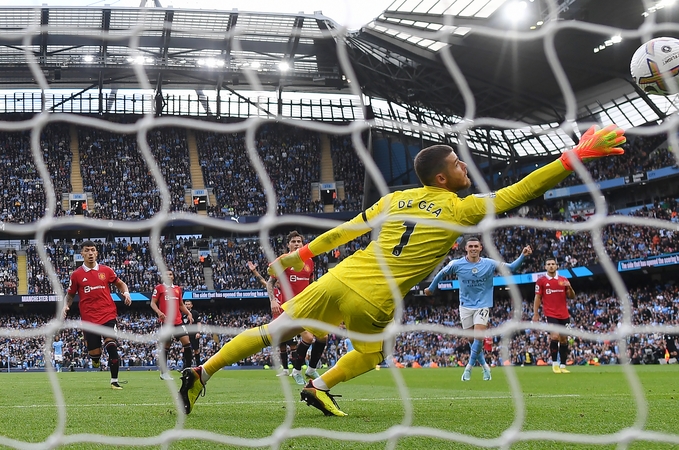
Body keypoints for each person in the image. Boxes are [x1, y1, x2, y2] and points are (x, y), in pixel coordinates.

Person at [180, 124, 626, 416]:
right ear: (441, 179)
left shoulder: (394, 200)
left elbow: (346, 231)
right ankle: (318, 386)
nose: (464, 166)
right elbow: (521, 190)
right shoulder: (461, 208)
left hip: (339, 275)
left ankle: (202, 373)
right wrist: (572, 158)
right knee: (371, 354)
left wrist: (301, 255)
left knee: (271, 332)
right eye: (457, 163)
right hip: (375, 296)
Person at [424, 237, 531, 382]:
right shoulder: (456, 264)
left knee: (479, 337)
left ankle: (468, 368)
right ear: (466, 248)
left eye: (476, 246)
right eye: (471, 246)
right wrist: (431, 288)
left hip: (482, 304)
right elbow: (441, 273)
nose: (473, 248)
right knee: (471, 339)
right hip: (465, 306)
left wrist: (523, 255)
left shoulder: (489, 263)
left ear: (481, 248)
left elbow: (511, 268)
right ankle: (485, 367)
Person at [248, 231, 328, 386]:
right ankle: (295, 371)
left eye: (299, 241)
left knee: (323, 337)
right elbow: (270, 282)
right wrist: (273, 301)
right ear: (288, 245)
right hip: (291, 308)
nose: (297, 244)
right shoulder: (284, 261)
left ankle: (310, 369)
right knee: (307, 338)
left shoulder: (309, 261)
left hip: (307, 305)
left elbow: (311, 282)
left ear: (303, 244)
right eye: (293, 241)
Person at [63, 240, 132, 389]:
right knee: (95, 354)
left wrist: (126, 293)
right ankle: (95, 359)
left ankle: (114, 381)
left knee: (111, 346)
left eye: (92, 250)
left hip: (108, 313)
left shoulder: (106, 270)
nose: (90, 253)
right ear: (82, 253)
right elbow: (70, 295)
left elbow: (121, 284)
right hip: (89, 318)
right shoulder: (76, 275)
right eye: (87, 250)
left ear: (97, 253)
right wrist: (65, 306)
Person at [533, 258, 575, 374]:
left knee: (564, 339)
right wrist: (536, 313)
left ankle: (563, 365)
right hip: (550, 314)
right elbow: (537, 297)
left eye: (553, 264)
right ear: (545, 267)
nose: (551, 266)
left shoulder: (563, 280)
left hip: (564, 314)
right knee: (555, 336)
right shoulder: (541, 281)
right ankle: (555, 363)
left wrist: (570, 287)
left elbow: (572, 296)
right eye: (548, 264)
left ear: (557, 266)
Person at [150, 269, 194, 380]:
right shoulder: (159, 288)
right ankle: (163, 373)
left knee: (187, 343)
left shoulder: (177, 289)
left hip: (178, 321)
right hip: (166, 322)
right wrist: (159, 312)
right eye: (166, 274)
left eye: (170, 274)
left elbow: (181, 305)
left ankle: (187, 370)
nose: (169, 276)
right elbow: (153, 303)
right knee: (166, 346)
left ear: (173, 277)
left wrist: (188, 313)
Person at [184, 301, 203, 366]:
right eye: (186, 304)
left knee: (196, 350)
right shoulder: (182, 313)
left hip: (194, 333)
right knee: (185, 349)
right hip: (185, 334)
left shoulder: (195, 313)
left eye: (188, 304)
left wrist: (198, 332)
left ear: (191, 305)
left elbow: (198, 323)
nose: (187, 305)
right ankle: (186, 366)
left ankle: (198, 366)